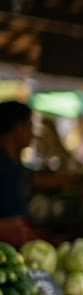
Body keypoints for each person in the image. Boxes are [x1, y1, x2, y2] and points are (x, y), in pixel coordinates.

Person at [0, 101, 36, 247]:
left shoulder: (14, 163)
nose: (33, 133)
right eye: (29, 126)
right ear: (17, 127)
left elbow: (35, 178)